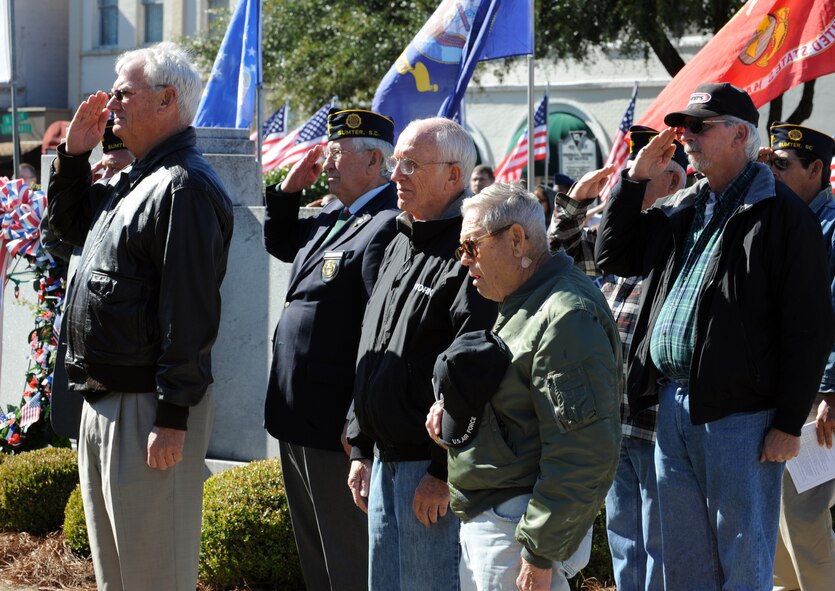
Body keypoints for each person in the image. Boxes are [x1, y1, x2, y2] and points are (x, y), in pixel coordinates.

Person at [594, 82, 834, 590]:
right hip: (672, 402)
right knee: (684, 564)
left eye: (700, 126)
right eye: (684, 126)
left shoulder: (783, 216)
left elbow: (809, 328)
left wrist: (789, 422)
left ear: (739, 135)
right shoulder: (688, 203)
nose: (686, 136)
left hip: (742, 416)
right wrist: (635, 180)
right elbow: (614, 255)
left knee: (742, 559)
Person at [46, 42, 234, 591]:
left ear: (166, 99)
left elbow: (190, 311)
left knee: (154, 574)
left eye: (125, 92)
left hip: (148, 409)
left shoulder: (183, 186)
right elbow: (64, 238)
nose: (111, 103)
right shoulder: (139, 177)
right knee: (118, 576)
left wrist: (173, 415)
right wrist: (74, 159)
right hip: (107, 400)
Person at [425, 182, 622, 591]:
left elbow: (584, 451)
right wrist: (457, 427)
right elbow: (521, 413)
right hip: (506, 521)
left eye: (472, 247)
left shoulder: (565, 315)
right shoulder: (528, 299)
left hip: (518, 530)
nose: (464, 261)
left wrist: (539, 552)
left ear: (516, 240)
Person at [346, 117, 498, 591]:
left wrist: (440, 469)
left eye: (411, 164)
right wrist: (362, 446)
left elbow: (476, 368)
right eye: (396, 162)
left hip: (427, 475)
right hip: (385, 464)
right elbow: (374, 346)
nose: (396, 175)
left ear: (454, 176)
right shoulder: (398, 241)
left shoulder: (472, 253)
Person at [262, 108, 400, 591]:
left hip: (335, 420)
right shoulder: (331, 216)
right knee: (313, 551)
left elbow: (378, 328)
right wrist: (288, 190)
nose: (329, 160)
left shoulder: (385, 224)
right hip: (295, 410)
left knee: (346, 556)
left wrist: (357, 415)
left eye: (339, 152)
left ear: (373, 162)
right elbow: (279, 241)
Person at [549, 126, 687, 591]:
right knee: (624, 535)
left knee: (661, 540)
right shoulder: (616, 241)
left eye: (637, 177)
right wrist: (573, 204)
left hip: (654, 418)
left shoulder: (676, 236)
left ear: (671, 182)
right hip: (611, 417)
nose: (620, 191)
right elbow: (558, 262)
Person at [763, 123, 835, 591]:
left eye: (783, 165)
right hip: (782, 389)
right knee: (777, 523)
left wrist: (831, 388)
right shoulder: (782, 217)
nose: (774, 173)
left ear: (816, 169)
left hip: (816, 395)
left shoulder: (830, 225)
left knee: (804, 520)